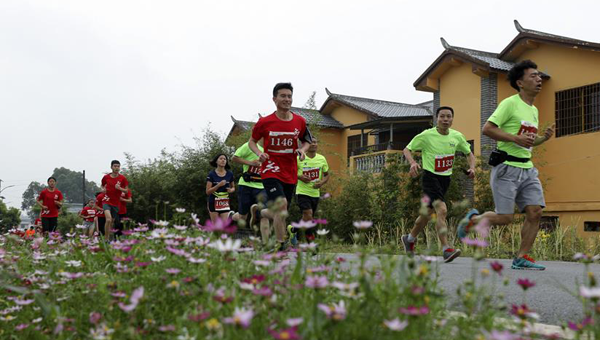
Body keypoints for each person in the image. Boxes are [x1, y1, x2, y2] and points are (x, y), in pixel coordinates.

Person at [457, 60, 554, 271]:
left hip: (527, 168)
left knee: (535, 212)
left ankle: (522, 257)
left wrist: (542, 139)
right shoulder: (509, 103)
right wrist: (513, 139)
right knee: (504, 218)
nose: (539, 79)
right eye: (533, 76)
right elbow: (488, 128)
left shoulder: (534, 110)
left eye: (539, 76)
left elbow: (528, 139)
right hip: (506, 168)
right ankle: (474, 219)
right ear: (520, 82)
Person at [401, 106, 476, 263]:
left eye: (449, 116)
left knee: (427, 214)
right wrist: (413, 162)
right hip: (430, 177)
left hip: (445, 179)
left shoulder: (457, 136)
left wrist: (472, 167)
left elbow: (469, 153)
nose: (446, 119)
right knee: (441, 210)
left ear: (452, 119)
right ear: (437, 118)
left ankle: (409, 238)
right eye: (442, 116)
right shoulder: (427, 135)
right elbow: (407, 149)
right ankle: (446, 249)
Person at [248, 82, 312, 251]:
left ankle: (259, 213)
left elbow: (307, 141)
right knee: (282, 205)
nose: (287, 99)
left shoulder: (300, 121)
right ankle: (280, 245)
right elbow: (252, 142)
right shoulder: (265, 122)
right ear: (274, 99)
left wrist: (302, 150)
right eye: (283, 96)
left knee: (281, 213)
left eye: (289, 96)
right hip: (270, 169)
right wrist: (258, 153)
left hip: (290, 172)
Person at [289, 137, 330, 245]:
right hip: (302, 192)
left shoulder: (322, 159)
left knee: (307, 218)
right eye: (311, 142)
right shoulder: (299, 158)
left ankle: (293, 230)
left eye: (315, 142)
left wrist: (321, 183)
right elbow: (291, 172)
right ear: (305, 145)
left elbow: (327, 175)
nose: (313, 144)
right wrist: (300, 176)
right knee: (309, 215)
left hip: (315, 193)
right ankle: (310, 242)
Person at [231, 142, 271, 243]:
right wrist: (251, 163)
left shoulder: (270, 150)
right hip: (246, 185)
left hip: (262, 186)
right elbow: (234, 158)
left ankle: (266, 244)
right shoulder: (249, 146)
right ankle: (231, 216)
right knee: (242, 217)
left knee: (264, 215)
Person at [101, 160, 129, 239]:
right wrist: (103, 189)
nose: (117, 168)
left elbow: (127, 191)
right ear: (111, 167)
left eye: (118, 166)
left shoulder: (122, 178)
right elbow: (102, 186)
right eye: (115, 166)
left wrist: (120, 188)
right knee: (108, 219)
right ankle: (106, 239)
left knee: (111, 222)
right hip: (106, 200)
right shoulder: (106, 177)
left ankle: (109, 237)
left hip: (116, 203)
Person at [206, 153, 236, 223]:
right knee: (216, 227)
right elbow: (207, 192)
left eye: (225, 159)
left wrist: (231, 190)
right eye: (221, 159)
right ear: (216, 161)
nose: (223, 160)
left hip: (224, 202)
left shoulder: (230, 174)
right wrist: (218, 185)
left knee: (224, 226)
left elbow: (233, 187)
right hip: (213, 201)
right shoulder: (211, 174)